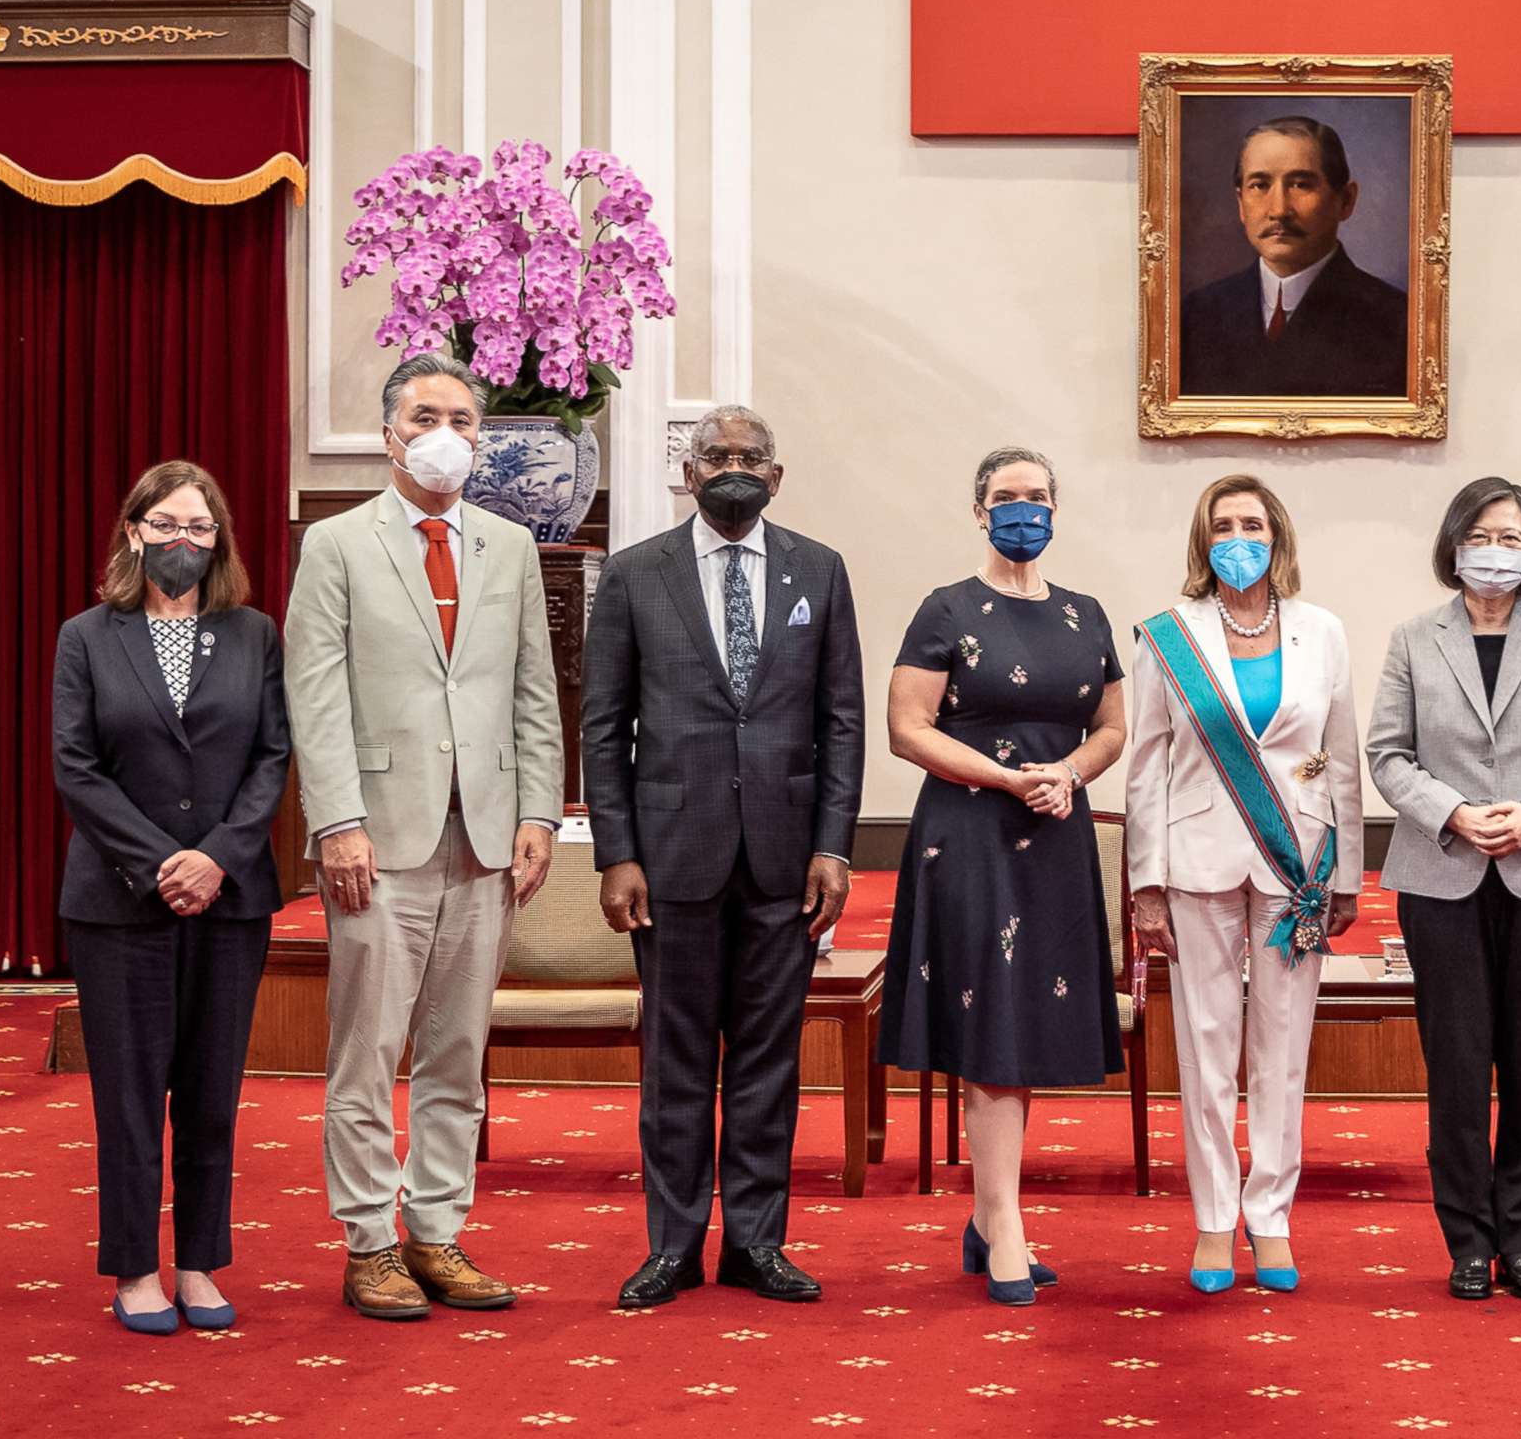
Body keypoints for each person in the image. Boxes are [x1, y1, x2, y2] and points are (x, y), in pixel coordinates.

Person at [283, 353, 564, 1321]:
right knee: (368, 1050)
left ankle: (436, 1228)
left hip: (485, 835)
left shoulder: (509, 545)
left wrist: (539, 811)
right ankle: (369, 1238)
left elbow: (534, 690)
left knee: (457, 1049)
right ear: (390, 431)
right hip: (379, 838)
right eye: (427, 413)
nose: (447, 430)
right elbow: (313, 690)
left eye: (464, 418)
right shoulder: (337, 544)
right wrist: (337, 819)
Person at [582, 405, 867, 1310]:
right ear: (688, 472)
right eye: (717, 456)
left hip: (787, 860)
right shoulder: (633, 577)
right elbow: (602, 728)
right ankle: (672, 1246)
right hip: (670, 859)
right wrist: (616, 854)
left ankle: (755, 1242)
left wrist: (832, 843)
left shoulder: (819, 570)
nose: (734, 468)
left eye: (752, 457)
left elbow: (842, 722)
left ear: (776, 476)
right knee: (674, 1062)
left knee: (766, 1061)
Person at [878, 446, 1128, 1307]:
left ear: (1057, 508)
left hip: (1057, 830)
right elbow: (907, 729)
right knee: (989, 1023)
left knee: (1023, 1021)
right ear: (979, 511)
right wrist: (1007, 776)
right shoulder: (946, 608)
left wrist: (1071, 773)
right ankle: (1006, 1223)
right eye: (1005, 498)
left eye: (1038, 497)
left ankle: (988, 1222)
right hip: (971, 832)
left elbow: (1111, 725)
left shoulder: (1086, 613)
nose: (1024, 510)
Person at [51, 462, 289, 1336]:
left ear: (218, 539)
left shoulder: (255, 633)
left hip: (230, 900)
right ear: (134, 533)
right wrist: (163, 863)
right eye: (166, 525)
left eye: (199, 527)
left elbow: (272, 757)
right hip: (119, 902)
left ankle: (198, 1264)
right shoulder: (87, 636)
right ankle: (135, 1270)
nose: (182, 541)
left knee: (212, 1093)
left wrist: (216, 858)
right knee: (128, 1094)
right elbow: (75, 767)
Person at [1368, 477, 1521, 1302]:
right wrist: (1457, 813)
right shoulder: (1413, 638)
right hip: (1442, 874)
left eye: (1513, 538)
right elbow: (1388, 755)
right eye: (1483, 535)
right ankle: (1468, 1241)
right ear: (1453, 544)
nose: (1497, 552)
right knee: (1460, 1067)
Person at [1125, 474, 1365, 1294]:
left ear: (1278, 536)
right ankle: (1214, 1220)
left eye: (1252, 523)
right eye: (1223, 525)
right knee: (1206, 1048)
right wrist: (1145, 880)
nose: (1238, 537)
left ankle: (1272, 1216)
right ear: (1203, 542)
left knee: (1284, 1050)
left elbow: (1342, 760)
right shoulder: (1169, 635)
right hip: (1194, 862)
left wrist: (1349, 872)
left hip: (1296, 864)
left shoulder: (1322, 631)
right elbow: (1146, 763)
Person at [1177, 116, 1409, 398]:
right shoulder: (1194, 316)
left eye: (1300, 184)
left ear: (1345, 201)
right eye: (1260, 185)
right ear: (1240, 204)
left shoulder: (1398, 323)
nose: (1278, 210)